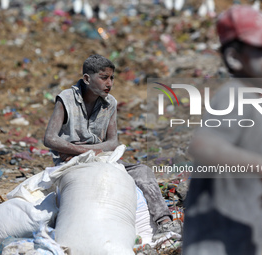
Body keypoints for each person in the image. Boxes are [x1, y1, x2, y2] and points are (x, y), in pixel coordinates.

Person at [181, 5, 262, 255]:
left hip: (237, 240)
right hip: (216, 244)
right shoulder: (235, 94)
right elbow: (202, 144)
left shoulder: (251, 100)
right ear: (233, 57)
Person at [43, 54, 182, 240]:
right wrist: (80, 152)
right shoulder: (66, 99)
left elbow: (112, 143)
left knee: (142, 171)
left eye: (111, 78)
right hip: (72, 162)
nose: (109, 83)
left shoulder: (110, 103)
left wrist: (84, 150)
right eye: (103, 77)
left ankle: (164, 222)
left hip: (101, 158)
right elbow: (50, 138)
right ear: (86, 79)